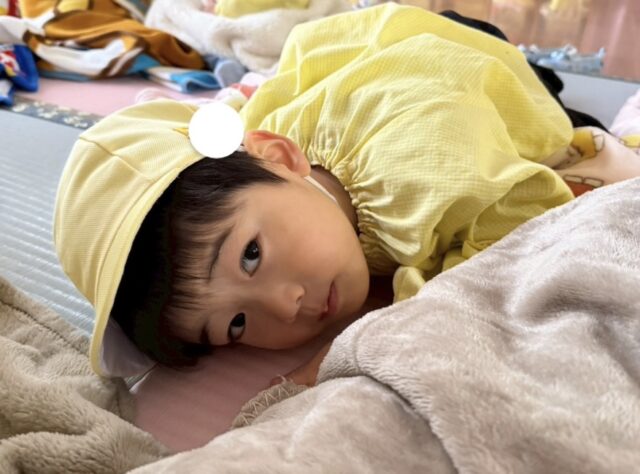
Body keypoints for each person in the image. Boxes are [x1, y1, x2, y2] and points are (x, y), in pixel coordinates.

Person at [55, 3, 584, 383]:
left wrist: (375, 329)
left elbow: (532, 215)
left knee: (542, 86)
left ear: (284, 157)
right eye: (236, 325)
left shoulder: (430, 171)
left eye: (251, 255)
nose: (284, 306)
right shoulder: (268, 171)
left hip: (463, 51)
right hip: (352, 70)